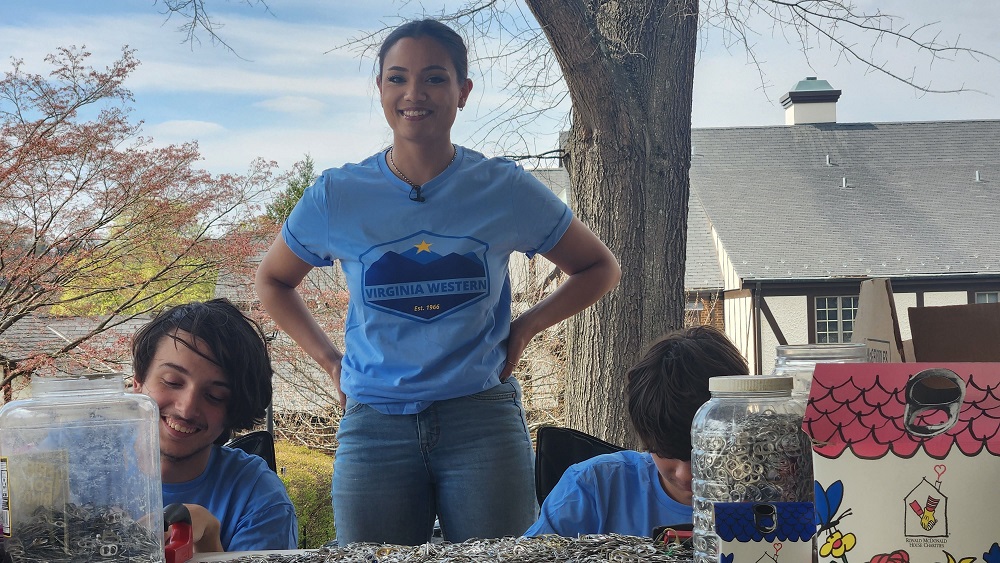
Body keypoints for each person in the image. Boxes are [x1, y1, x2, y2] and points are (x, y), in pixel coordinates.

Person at [254, 18, 621, 546]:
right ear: (379, 88)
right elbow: (271, 281)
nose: (414, 94)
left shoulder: (504, 189)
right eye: (397, 78)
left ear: (462, 92)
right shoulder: (337, 195)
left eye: (434, 78)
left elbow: (599, 267)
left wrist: (526, 329)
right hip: (373, 424)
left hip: (482, 420)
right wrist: (328, 360)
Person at [524, 325, 749, 538]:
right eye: (664, 452)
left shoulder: (772, 495)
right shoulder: (591, 488)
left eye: (703, 456)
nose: (684, 475)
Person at [131, 298, 299, 553]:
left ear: (234, 411)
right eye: (172, 381)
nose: (186, 408)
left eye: (215, 396)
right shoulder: (75, 472)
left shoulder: (259, 498)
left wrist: (209, 542)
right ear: (138, 382)